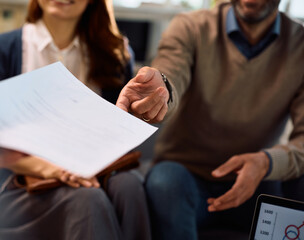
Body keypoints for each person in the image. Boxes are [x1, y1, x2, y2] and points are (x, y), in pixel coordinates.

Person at [116, 0, 304, 239]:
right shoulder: (191, 26)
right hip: (185, 176)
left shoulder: (299, 44)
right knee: (165, 182)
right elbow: (172, 75)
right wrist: (161, 92)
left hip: (256, 180)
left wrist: (267, 162)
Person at [0, 0, 151, 239]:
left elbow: (120, 134)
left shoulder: (116, 54)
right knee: (86, 198)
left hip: (94, 168)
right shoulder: (0, 49)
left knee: (129, 186)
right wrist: (54, 170)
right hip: (17, 177)